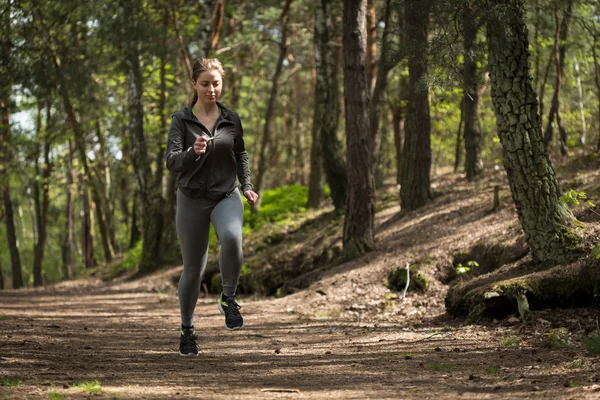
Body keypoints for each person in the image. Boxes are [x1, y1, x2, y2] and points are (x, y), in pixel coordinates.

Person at [165, 58, 259, 357]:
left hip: (225, 195)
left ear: (222, 84)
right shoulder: (181, 120)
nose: (211, 89)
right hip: (191, 198)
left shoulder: (231, 118)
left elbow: (240, 153)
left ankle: (228, 299)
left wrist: (246, 185)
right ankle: (187, 330)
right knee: (194, 269)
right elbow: (171, 162)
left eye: (216, 83)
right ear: (194, 84)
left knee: (232, 238)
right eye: (205, 83)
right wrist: (192, 152)